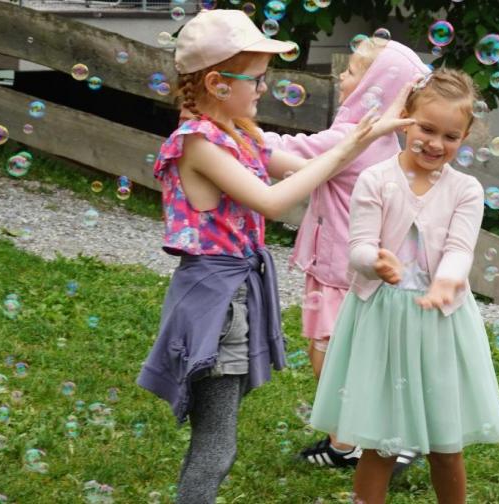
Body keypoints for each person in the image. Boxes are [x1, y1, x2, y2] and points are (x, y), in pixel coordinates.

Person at [135, 10, 413, 504]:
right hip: (213, 302)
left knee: (219, 437)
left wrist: (367, 135)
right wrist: (354, 143)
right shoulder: (197, 143)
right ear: (218, 83)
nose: (264, 88)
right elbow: (272, 200)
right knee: (216, 446)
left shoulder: (237, 136)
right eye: (257, 78)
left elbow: (305, 164)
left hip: (236, 295)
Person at [310, 69, 499, 504]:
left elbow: (459, 250)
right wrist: (375, 262)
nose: (436, 143)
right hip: (382, 318)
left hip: (440, 321)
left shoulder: (465, 189)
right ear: (406, 121)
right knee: (380, 443)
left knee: (445, 446)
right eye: (427, 129)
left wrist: (446, 282)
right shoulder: (376, 179)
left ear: (465, 136)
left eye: (450, 136)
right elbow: (358, 248)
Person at [261, 37, 429, 469]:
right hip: (357, 270)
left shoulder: (354, 140)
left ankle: (353, 442)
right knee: (356, 356)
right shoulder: (385, 143)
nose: (341, 75)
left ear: (376, 88)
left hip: (337, 272)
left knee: (328, 355)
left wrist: (239, 135)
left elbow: (287, 153)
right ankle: (367, 437)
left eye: (352, 71)